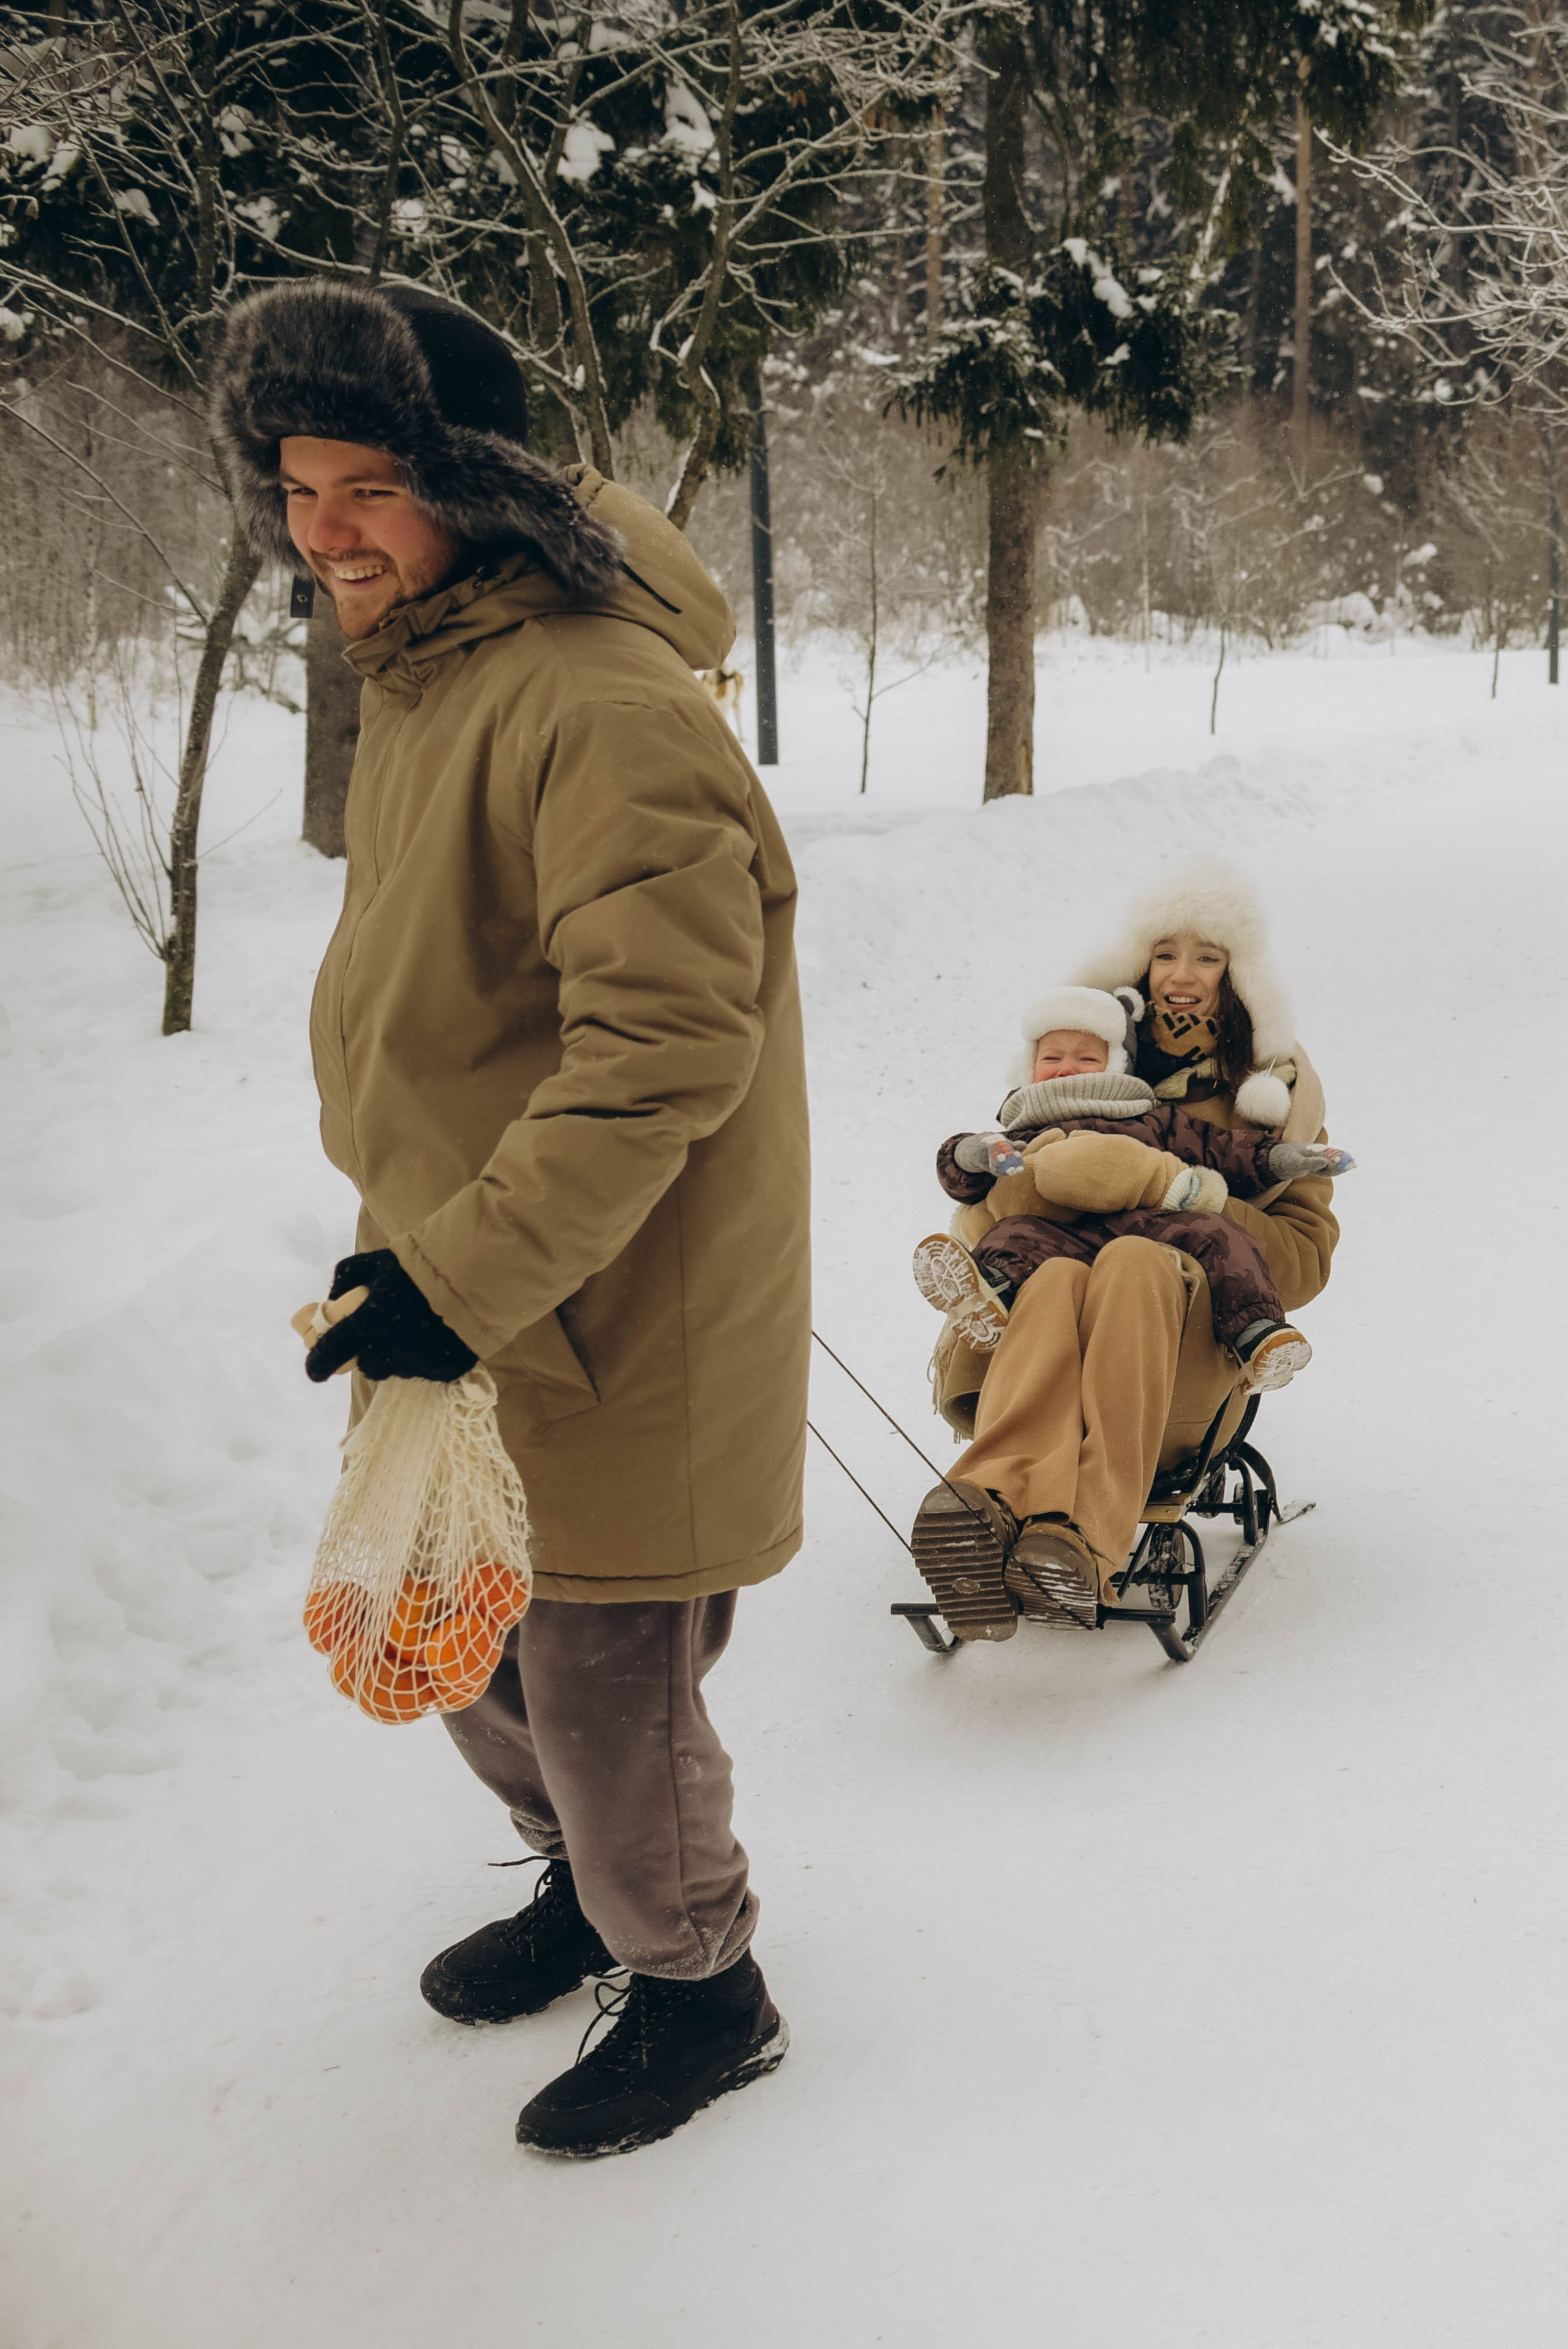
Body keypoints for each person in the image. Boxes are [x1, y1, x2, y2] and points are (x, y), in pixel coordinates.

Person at [211, 279, 809, 2159]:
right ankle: (583, 1888)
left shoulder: (598, 698)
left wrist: (452, 1275)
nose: (329, 535)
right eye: (299, 492)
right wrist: (420, 1262)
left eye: (369, 487)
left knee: (600, 1676)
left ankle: (702, 1984)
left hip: (612, 1303)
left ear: (465, 479)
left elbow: (656, 1056)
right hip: (464, 1278)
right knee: (460, 1626)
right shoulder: (442, 670)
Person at [907, 862, 1341, 1643]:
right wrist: (1037, 1174)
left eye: (1206, 957)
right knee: (1058, 1276)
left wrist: (1184, 1189)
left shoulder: (1270, 1089)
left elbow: (1303, 1260)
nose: (1181, 977)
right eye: (1164, 953)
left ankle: (1090, 1535)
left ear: (1237, 974)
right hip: (1044, 1322)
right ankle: (989, 1505)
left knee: (1135, 1263)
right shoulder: (1084, 1058)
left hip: (1184, 1343)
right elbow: (986, 1206)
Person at [912, 981, 1352, 1384]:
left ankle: (1258, 1334)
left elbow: (1223, 1149)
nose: (1068, 1069)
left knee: (1219, 1235)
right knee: (1012, 1236)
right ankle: (990, 1296)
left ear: (1116, 1063)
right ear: (1029, 1067)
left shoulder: (1148, 1115)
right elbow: (964, 1178)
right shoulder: (1021, 1126)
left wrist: (1283, 1158)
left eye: (1087, 1057)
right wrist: (973, 1154)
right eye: (1051, 1058)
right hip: (1058, 1232)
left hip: (1147, 1222)